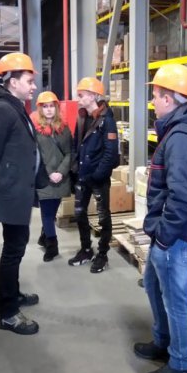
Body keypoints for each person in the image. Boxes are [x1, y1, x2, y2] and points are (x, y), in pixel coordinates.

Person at [133, 64, 187, 373]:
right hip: (174, 229)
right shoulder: (180, 130)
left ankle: (182, 364)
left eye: (155, 95)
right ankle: (164, 341)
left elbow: (182, 196)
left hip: (179, 233)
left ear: (169, 99)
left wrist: (165, 237)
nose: (153, 101)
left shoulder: (182, 137)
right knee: (153, 284)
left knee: (175, 299)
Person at [0, 52, 49, 335]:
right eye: (29, 80)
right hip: (10, 191)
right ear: (12, 81)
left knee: (17, 245)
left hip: (18, 189)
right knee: (13, 250)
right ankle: (8, 313)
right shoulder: (1, 111)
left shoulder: (12, 106)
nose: (33, 86)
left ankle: (12, 294)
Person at [68, 77, 119, 274]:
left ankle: (102, 254)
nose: (78, 99)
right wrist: (75, 168)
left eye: (81, 95)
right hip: (82, 175)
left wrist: (98, 175)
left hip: (97, 178)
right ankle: (86, 249)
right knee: (79, 213)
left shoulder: (107, 120)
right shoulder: (82, 117)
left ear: (93, 96)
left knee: (103, 217)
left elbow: (111, 153)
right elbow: (76, 144)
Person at [31, 91, 72, 262]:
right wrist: (49, 173)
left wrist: (60, 172)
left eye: (51, 106)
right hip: (44, 179)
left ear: (56, 108)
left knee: (52, 211)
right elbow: (34, 154)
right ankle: (52, 246)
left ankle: (44, 235)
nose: (49, 110)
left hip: (61, 178)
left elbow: (70, 153)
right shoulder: (35, 130)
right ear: (40, 109)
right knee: (47, 213)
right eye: (45, 107)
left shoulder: (64, 128)